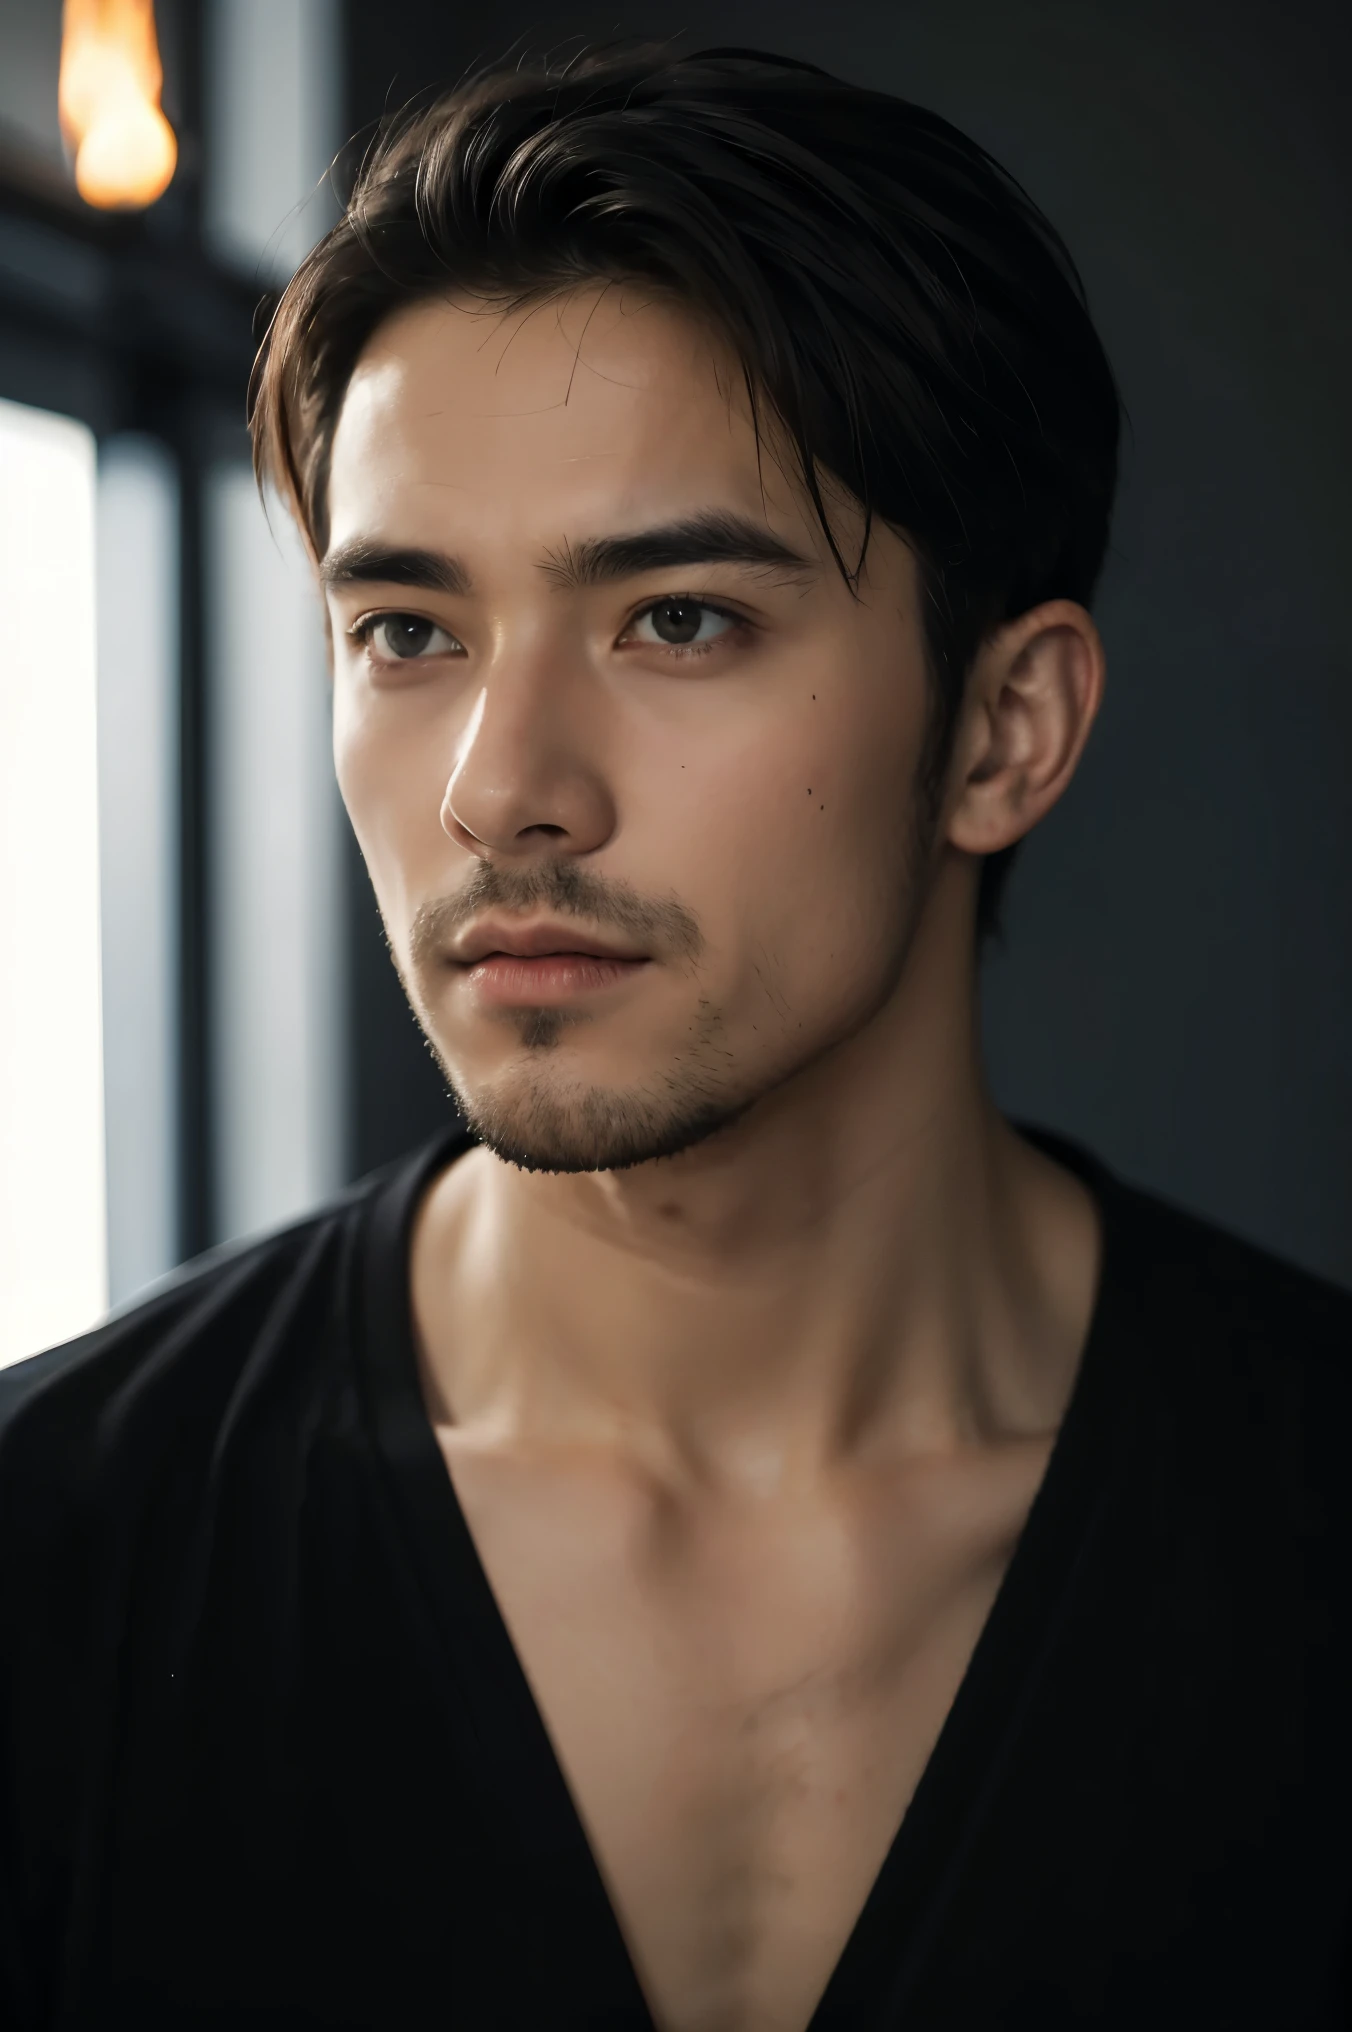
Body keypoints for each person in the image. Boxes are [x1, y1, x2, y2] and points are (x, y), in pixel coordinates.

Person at [2, 42, 1348, 2032]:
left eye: (678, 620)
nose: (499, 787)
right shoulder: (53, 1558)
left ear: (1003, 729)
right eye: (407, 631)